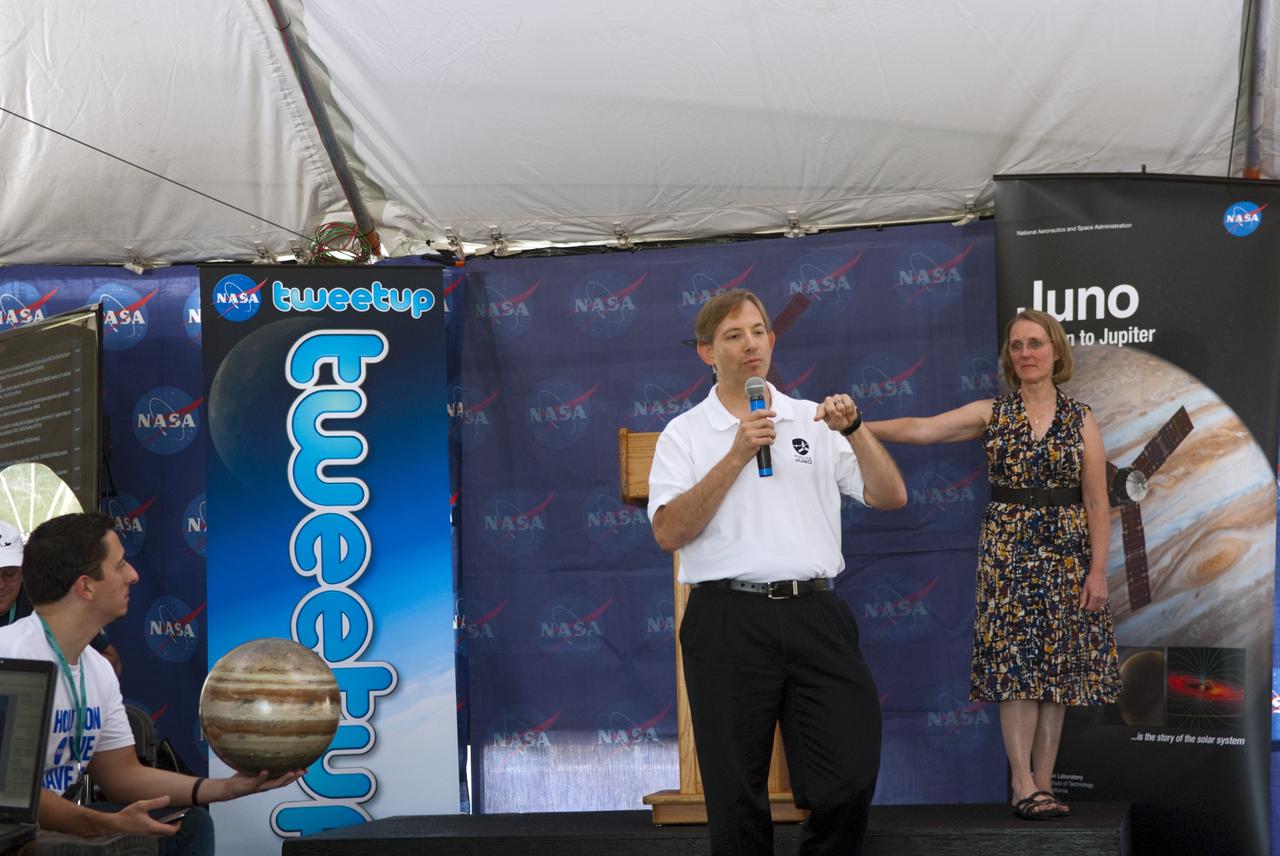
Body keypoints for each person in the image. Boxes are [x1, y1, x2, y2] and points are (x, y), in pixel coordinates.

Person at [647, 289, 907, 856]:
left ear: (773, 340)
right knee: (736, 794)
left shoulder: (812, 419)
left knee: (848, 777)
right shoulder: (684, 434)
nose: (750, 345)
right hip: (727, 619)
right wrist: (738, 453)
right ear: (705, 353)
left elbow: (890, 495)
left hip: (816, 613)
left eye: (759, 331)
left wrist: (857, 428)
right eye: (733, 336)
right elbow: (669, 531)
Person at [865, 308, 1121, 820]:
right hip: (1008, 554)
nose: (1025, 353)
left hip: (1067, 555)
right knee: (1015, 672)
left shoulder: (1082, 418)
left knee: (1057, 675)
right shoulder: (992, 412)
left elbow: (1097, 502)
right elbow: (922, 430)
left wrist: (1097, 571)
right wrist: (855, 424)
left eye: (1035, 343)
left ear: (1055, 352)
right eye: (1017, 345)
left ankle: (1044, 784)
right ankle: (1021, 783)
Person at [0, 512, 303, 855]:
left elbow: (122, 775)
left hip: (52, 823)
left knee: (189, 826)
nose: (133, 575)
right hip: (11, 829)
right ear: (86, 586)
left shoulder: (97, 669)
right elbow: (8, 797)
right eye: (120, 565)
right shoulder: (9, 655)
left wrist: (226, 788)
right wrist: (105, 824)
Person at [0, 519, 123, 677]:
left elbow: (110, 659)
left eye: (9, 573)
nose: (1, 585)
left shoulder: (44, 600)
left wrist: (54, 687)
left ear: (22, 572)